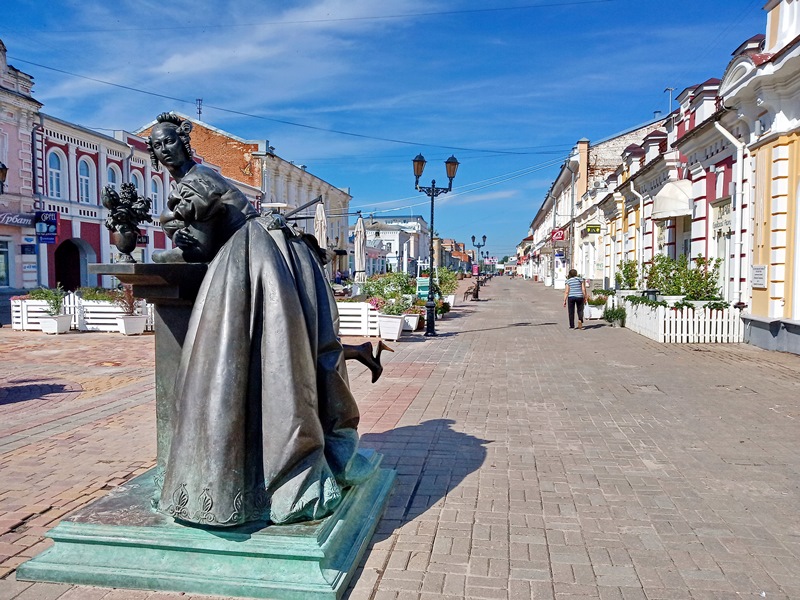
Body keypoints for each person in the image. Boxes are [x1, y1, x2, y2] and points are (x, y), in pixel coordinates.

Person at [146, 113, 375, 528]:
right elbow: (193, 232)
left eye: (168, 142)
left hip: (256, 257)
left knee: (274, 359)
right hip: (264, 252)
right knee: (289, 354)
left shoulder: (201, 176)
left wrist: (174, 227)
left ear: (183, 142)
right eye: (155, 145)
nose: (162, 150)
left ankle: (270, 470)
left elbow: (197, 237)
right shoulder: (189, 183)